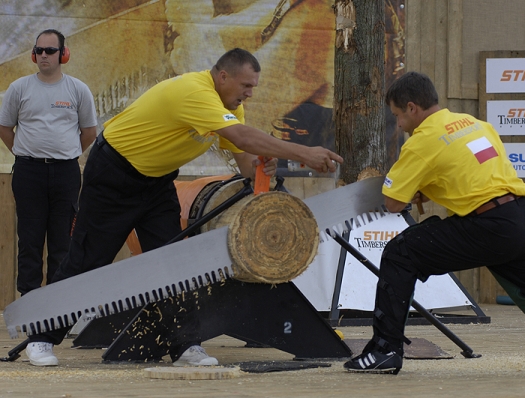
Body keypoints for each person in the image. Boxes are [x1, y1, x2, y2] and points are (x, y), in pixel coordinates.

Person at [23, 48, 343, 367]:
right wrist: (304, 153)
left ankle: (184, 345)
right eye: (245, 85)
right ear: (223, 76)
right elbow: (243, 137)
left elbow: (246, 159)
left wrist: (263, 165)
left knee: (174, 265)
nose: (249, 93)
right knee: (88, 260)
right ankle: (41, 338)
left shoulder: (231, 108)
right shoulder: (194, 91)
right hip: (114, 174)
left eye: (253, 87)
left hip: (157, 182)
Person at [344, 71, 525, 374]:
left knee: (401, 252)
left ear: (412, 108)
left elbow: (393, 203)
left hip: (491, 226)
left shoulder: (422, 141)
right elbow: (472, 173)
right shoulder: (475, 124)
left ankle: (385, 351)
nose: (398, 124)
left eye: (398, 115)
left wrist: (411, 187)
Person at [0, 30, 97, 296]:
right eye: (39, 50)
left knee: (62, 242)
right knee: (29, 241)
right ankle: (30, 304)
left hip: (65, 172)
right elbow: (5, 127)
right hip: (28, 172)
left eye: (50, 51)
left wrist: (64, 153)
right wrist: (25, 152)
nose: (43, 55)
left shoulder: (78, 89)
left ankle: (59, 306)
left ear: (63, 54)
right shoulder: (19, 88)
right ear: (33, 54)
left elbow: (89, 132)